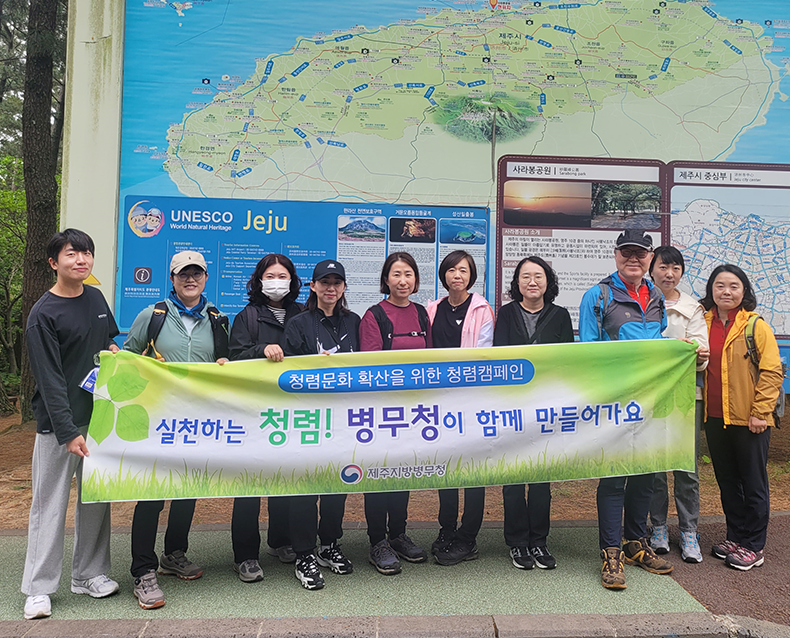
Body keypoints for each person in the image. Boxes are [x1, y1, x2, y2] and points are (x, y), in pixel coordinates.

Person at [22, 229, 121, 620]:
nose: (81, 260)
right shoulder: (42, 314)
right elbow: (48, 380)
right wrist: (68, 432)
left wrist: (116, 352)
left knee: (96, 499)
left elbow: (107, 342)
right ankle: (39, 588)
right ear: (53, 262)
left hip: (100, 421)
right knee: (49, 506)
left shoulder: (95, 298)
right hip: (59, 427)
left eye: (86, 254)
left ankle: (90, 574)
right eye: (71, 254)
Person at [123, 250, 229, 609]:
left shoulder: (217, 319)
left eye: (197, 273)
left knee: (187, 489)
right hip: (157, 420)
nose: (190, 279)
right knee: (152, 494)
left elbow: (226, 366)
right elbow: (128, 355)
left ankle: (174, 553)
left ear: (205, 278)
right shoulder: (152, 316)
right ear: (172, 279)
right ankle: (143, 569)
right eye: (183, 274)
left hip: (198, 421)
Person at [578, 229, 673, 590]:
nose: (633, 259)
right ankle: (610, 551)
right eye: (626, 253)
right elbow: (587, 351)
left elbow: (660, 345)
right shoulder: (597, 296)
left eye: (640, 254)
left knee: (646, 474)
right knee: (615, 475)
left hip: (652, 400)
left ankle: (636, 544)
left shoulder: (657, 297)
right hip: (614, 402)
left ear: (650, 257)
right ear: (616, 255)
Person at [227, 254, 311, 585]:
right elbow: (234, 357)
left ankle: (282, 540)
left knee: (287, 477)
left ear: (292, 280)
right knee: (249, 482)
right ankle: (245, 555)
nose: (277, 280)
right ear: (259, 280)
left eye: (283, 275)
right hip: (254, 411)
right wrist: (261, 349)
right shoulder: (247, 316)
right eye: (270, 274)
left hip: (291, 409)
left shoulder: (303, 314)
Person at [700, 264, 783, 571]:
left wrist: (761, 413)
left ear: (744, 291)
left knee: (753, 482)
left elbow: (772, 371)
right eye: (720, 286)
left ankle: (754, 545)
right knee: (728, 481)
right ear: (711, 290)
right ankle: (735, 536)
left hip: (750, 419)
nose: (726, 292)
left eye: (733, 286)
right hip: (715, 417)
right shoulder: (703, 322)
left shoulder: (754, 325)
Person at [493, 256, 573, 571]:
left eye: (538, 276)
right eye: (525, 276)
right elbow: (498, 359)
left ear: (547, 281)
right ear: (517, 283)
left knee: (541, 479)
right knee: (513, 479)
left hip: (546, 409)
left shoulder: (560, 316)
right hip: (513, 409)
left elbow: (567, 363)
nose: (532, 282)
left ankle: (539, 541)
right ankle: (517, 543)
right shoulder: (506, 314)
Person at [282, 259, 360, 583]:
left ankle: (329, 544)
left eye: (336, 283)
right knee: (305, 485)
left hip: (344, 416)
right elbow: (285, 373)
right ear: (313, 286)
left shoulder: (354, 321)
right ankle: (304, 554)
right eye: (324, 282)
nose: (331, 288)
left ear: (343, 288)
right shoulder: (298, 323)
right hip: (308, 416)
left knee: (337, 483)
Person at [359, 252, 430, 574]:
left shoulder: (421, 314)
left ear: (415, 280)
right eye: (397, 274)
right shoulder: (374, 315)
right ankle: (377, 541)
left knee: (403, 472)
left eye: (409, 274)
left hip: (413, 410)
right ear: (386, 279)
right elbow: (370, 366)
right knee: (379, 474)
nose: (403, 281)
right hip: (382, 410)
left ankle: (398, 534)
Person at [426, 250, 494, 566]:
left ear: (471, 275)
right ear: (444, 275)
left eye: (464, 270)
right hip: (439, 402)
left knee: (473, 469)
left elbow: (483, 356)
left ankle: (468, 536)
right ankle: (447, 529)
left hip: (471, 401)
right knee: (447, 467)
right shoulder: (432, 309)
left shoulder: (482, 310)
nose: (457, 275)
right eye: (452, 270)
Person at [647, 246, 709, 563]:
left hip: (686, 395)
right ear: (651, 269)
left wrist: (680, 351)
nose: (669, 274)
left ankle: (688, 532)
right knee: (656, 465)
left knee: (686, 467)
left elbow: (701, 351)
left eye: (675, 268)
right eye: (663, 267)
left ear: (681, 273)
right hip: (651, 395)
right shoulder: (642, 302)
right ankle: (657, 527)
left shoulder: (692, 308)